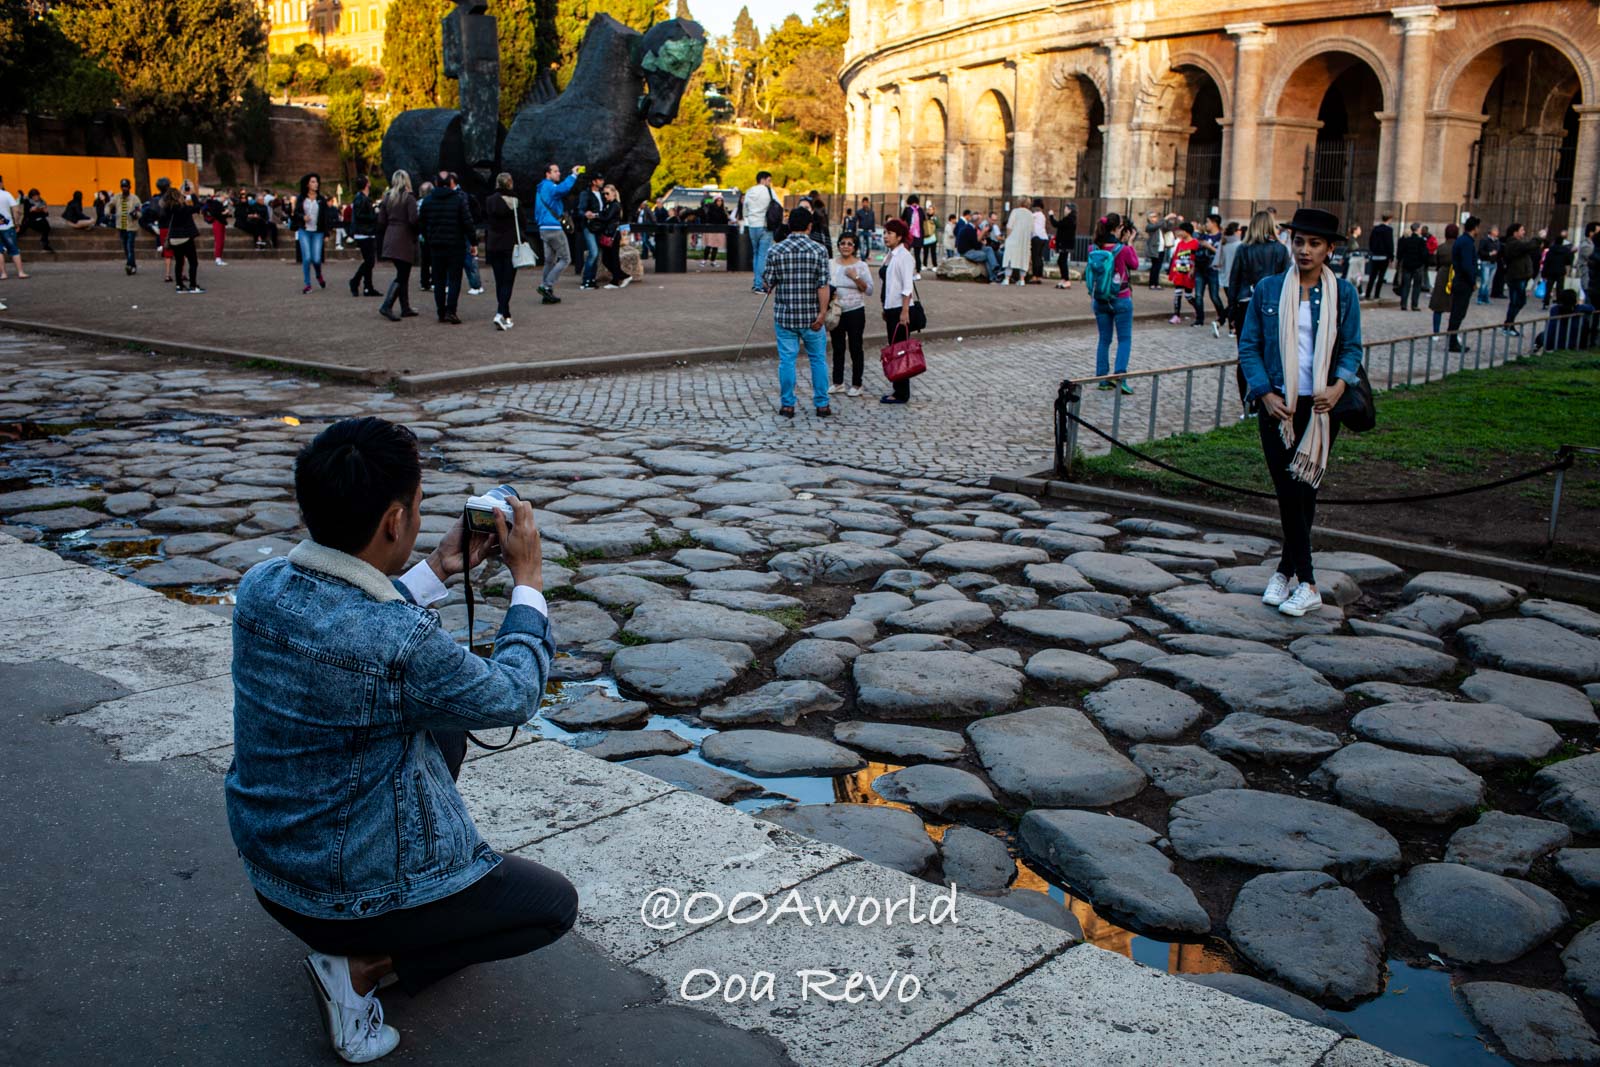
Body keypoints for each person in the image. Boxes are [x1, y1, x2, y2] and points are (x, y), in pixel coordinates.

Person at [227, 416, 573, 1066]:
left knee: (441, 718)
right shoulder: (399, 643)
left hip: (272, 869)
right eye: (415, 508)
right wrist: (528, 577)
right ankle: (360, 967)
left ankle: (378, 926)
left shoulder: (260, 587)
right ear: (393, 521)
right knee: (549, 906)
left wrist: (441, 565)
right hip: (340, 893)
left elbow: (351, 629)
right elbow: (512, 695)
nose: (418, 518)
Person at [1237, 206, 1364, 620]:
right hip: (1280, 406)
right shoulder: (1269, 289)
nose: (1304, 250)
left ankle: (1294, 576)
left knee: (1303, 493)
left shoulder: (1343, 294)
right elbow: (1248, 346)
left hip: (1322, 407)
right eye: (1298, 242)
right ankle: (1299, 578)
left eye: (1314, 243)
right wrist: (1263, 394)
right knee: (1288, 492)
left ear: (1329, 249)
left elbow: (1351, 348)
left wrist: (1339, 385)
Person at [761, 205, 832, 418]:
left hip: (785, 316)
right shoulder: (819, 250)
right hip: (812, 315)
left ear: (789, 225)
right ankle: (822, 404)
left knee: (787, 361)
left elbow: (767, 283)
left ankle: (788, 404)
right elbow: (823, 285)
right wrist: (822, 313)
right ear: (810, 226)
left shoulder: (775, 250)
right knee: (818, 359)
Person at [1087, 212, 1140, 393]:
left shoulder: (1093, 249)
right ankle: (1120, 377)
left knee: (1104, 339)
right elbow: (1134, 264)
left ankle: (1102, 378)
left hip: (1100, 298)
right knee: (1124, 339)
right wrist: (1129, 242)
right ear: (1117, 228)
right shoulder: (1122, 249)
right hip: (1121, 298)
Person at [418, 170, 472, 324]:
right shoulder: (458, 200)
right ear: (450, 183)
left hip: (436, 245)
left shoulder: (428, 201)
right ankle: (451, 310)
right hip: (455, 244)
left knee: (439, 279)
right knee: (454, 279)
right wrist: (472, 240)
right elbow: (467, 221)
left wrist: (428, 238)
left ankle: (441, 311)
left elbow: (421, 223)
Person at [827, 231, 873, 397]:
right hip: (836, 310)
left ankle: (857, 383)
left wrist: (856, 277)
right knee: (838, 347)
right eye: (842, 243)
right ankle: (838, 382)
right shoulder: (831, 263)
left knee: (855, 347)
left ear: (854, 247)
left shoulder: (861, 266)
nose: (845, 246)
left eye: (849, 244)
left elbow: (869, 290)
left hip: (855, 311)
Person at [880, 216, 920, 405]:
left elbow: (907, 286)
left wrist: (904, 310)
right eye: (885, 233)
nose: (886, 236)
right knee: (895, 349)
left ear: (900, 236)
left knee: (900, 351)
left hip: (900, 309)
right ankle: (898, 389)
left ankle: (901, 393)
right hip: (891, 308)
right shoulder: (892, 255)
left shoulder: (904, 257)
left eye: (889, 233)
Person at [377, 170, 420, 322]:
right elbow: (414, 219)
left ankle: (405, 307)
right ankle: (387, 305)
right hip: (404, 239)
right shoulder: (409, 198)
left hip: (390, 237)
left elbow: (381, 221)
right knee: (402, 275)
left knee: (403, 274)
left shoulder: (387, 198)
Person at [482, 172, 523, 330]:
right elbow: (522, 223)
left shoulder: (489, 201)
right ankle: (501, 313)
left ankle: (506, 313)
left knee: (499, 280)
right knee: (508, 281)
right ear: (510, 183)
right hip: (510, 244)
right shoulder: (515, 202)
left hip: (493, 244)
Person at [534, 162, 580, 304]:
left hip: (543, 228)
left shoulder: (540, 188)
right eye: (556, 171)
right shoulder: (550, 186)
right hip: (553, 228)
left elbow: (537, 210)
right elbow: (563, 189)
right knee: (566, 259)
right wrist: (574, 175)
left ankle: (547, 295)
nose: (559, 173)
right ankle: (546, 286)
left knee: (549, 260)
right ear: (548, 174)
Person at [293, 173, 332, 294]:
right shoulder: (301, 198)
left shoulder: (321, 200)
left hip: (317, 232)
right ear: (307, 184)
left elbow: (326, 218)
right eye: (313, 182)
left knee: (316, 259)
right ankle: (307, 284)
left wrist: (326, 234)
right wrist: (302, 217)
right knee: (307, 258)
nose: (316, 184)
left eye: (316, 182)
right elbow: (296, 213)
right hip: (304, 231)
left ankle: (319, 275)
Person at [163, 181, 204, 294]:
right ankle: (193, 285)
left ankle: (179, 285)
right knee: (193, 262)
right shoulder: (183, 208)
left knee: (179, 262)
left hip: (173, 238)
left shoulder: (168, 208)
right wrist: (193, 195)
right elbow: (197, 208)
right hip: (185, 237)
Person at [1446, 216, 1480, 352]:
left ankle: (1452, 339)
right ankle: (1452, 341)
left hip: (1461, 280)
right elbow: (1467, 265)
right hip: (1463, 282)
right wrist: (1473, 281)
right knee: (1458, 313)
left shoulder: (1463, 241)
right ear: (1475, 228)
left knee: (1458, 312)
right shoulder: (1466, 242)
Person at [1531, 285, 1596, 354]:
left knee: (1542, 335)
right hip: (1572, 343)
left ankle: (1535, 348)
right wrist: (1578, 306)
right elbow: (1591, 308)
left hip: (1552, 342)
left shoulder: (1555, 310)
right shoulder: (1578, 310)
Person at [1499, 223, 1537, 335]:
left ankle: (1509, 324)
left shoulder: (1517, 244)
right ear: (1515, 233)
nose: (1524, 232)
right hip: (1516, 277)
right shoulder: (1513, 244)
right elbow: (1529, 246)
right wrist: (1539, 237)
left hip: (1520, 276)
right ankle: (1508, 325)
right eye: (1522, 230)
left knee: (1518, 302)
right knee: (1516, 302)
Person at [743, 171, 778, 292]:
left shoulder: (749, 191)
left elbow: (745, 210)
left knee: (756, 254)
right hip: (765, 225)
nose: (770, 183)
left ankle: (756, 282)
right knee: (763, 255)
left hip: (753, 225)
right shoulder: (769, 191)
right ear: (763, 180)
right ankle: (760, 284)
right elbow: (777, 205)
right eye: (769, 180)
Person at [347, 175, 380, 297]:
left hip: (366, 232)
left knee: (369, 261)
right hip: (364, 233)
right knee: (369, 261)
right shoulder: (361, 199)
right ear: (366, 184)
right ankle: (356, 282)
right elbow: (360, 216)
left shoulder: (361, 198)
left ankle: (367, 286)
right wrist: (374, 216)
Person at [596, 183, 630, 290]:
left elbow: (607, 218)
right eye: (604, 194)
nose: (605, 196)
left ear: (614, 193)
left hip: (613, 235)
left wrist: (596, 215)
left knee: (612, 258)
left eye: (607, 193)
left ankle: (616, 280)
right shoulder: (610, 204)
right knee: (607, 259)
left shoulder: (615, 205)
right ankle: (623, 276)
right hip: (610, 234)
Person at [1195, 214, 1225, 334]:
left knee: (1214, 295)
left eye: (1207, 222)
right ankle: (1199, 319)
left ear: (1214, 223)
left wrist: (1209, 246)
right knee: (1198, 295)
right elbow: (1197, 250)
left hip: (1213, 269)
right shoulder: (1203, 236)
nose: (1206, 224)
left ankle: (1222, 317)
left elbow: (1221, 253)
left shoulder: (1221, 237)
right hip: (1200, 268)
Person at [1427, 223, 1459, 334]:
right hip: (1454, 274)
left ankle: (1436, 332)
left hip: (1442, 275)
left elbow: (1438, 262)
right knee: (1455, 307)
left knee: (1438, 306)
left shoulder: (1441, 247)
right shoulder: (1458, 247)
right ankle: (1453, 331)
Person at [1167, 221, 1200, 325]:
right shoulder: (1180, 243)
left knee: (1188, 295)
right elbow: (1176, 257)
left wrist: (1193, 269)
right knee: (1177, 293)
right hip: (1179, 272)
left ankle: (1199, 311)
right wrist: (1172, 272)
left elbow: (1196, 258)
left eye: (1181, 231)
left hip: (1189, 273)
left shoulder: (1195, 243)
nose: (1179, 233)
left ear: (1186, 232)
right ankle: (1176, 315)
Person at [953, 210, 1000, 282]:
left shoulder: (971, 228)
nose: (981, 222)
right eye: (980, 220)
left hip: (971, 249)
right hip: (967, 252)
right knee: (986, 255)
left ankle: (994, 267)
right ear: (976, 221)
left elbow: (976, 244)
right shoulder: (970, 229)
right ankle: (993, 277)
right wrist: (983, 233)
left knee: (988, 249)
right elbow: (976, 246)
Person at [1395, 223, 1429, 312]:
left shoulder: (1407, 240)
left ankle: (1403, 304)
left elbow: (1401, 253)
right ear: (1417, 229)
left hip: (1407, 265)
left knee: (1406, 285)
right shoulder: (1421, 241)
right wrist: (1422, 262)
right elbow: (1424, 254)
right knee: (1416, 286)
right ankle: (1414, 305)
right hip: (1417, 266)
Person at [109, 178, 138, 276]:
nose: (124, 188)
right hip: (121, 225)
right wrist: (107, 212)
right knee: (126, 246)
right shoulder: (117, 197)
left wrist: (136, 214)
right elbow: (109, 205)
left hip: (131, 226)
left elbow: (140, 210)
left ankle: (129, 265)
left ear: (129, 187)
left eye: (126, 186)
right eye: (123, 186)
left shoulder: (134, 198)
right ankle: (132, 265)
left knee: (130, 245)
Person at [0, 174, 26, 280]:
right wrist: (17, 223)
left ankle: (3, 274)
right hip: (8, 227)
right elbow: (16, 210)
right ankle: (20, 272)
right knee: (14, 249)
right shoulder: (6, 194)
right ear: (1, 183)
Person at [1002, 197, 1033, 285]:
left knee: (1009, 258)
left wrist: (1007, 238)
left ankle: (1006, 278)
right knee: (1023, 258)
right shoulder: (1030, 214)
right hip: (1025, 240)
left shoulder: (1015, 211)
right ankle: (1022, 279)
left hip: (1013, 238)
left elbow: (1009, 226)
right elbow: (1031, 229)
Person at [1540, 232, 1573, 311]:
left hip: (1550, 271)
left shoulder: (1550, 250)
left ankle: (1546, 302)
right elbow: (1568, 261)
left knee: (1549, 288)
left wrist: (1543, 273)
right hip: (1560, 271)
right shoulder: (1565, 250)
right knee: (1560, 288)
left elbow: (1546, 262)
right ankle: (1559, 302)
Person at [1364, 214, 1393, 301]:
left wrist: (1372, 251)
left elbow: (1371, 241)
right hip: (1384, 256)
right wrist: (1391, 256)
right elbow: (1389, 243)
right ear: (1389, 219)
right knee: (1381, 277)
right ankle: (1376, 294)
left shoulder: (1375, 229)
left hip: (1375, 255)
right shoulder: (1389, 230)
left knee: (1372, 276)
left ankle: (1368, 293)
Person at [1051, 203, 1077, 289]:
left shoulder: (1069, 219)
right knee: (1061, 261)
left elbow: (1056, 224)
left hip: (1065, 244)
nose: (1064, 210)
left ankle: (1066, 280)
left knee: (1062, 261)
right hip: (1066, 243)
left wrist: (1051, 216)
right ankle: (1064, 279)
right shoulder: (1070, 219)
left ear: (1070, 210)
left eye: (1066, 208)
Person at [900, 194, 928, 274]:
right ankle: (918, 272)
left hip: (909, 235)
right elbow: (924, 220)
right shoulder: (921, 210)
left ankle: (906, 270)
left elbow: (902, 220)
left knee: (906, 253)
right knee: (917, 255)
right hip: (919, 235)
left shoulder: (907, 210)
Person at [202, 190, 229, 266]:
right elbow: (216, 214)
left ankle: (218, 257)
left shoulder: (217, 203)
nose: (225, 199)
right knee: (219, 240)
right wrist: (224, 213)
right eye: (224, 197)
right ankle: (218, 258)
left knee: (220, 240)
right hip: (218, 222)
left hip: (220, 222)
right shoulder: (216, 203)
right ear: (221, 196)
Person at [1144, 211, 1170, 288]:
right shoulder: (1149, 226)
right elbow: (1156, 226)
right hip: (1155, 249)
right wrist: (1165, 218)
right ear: (1149, 218)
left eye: (1156, 216)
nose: (1155, 218)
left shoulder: (1159, 226)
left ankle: (1156, 283)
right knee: (1154, 267)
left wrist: (1168, 221)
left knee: (1158, 267)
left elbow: (1167, 227)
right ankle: (1152, 283)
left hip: (1161, 249)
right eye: (1153, 217)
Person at [1476, 225, 1500, 306]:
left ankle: (1485, 298)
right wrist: (1489, 253)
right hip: (1486, 262)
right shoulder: (1485, 240)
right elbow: (1480, 251)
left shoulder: (1497, 241)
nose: (1497, 233)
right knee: (1484, 281)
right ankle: (1480, 297)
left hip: (1494, 263)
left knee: (1489, 282)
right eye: (1496, 231)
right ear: (1492, 232)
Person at [701, 194, 728, 263]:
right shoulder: (711, 209)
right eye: (718, 201)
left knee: (716, 246)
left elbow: (725, 220)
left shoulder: (723, 210)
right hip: (711, 229)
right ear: (715, 201)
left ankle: (713, 260)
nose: (719, 202)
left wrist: (726, 216)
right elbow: (710, 218)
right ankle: (704, 259)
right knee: (709, 245)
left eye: (721, 201)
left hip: (719, 230)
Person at [1029, 200, 1049, 283]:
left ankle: (1035, 276)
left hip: (1036, 237)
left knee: (1035, 257)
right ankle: (1039, 276)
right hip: (1043, 237)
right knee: (1040, 257)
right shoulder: (1042, 216)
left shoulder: (1034, 215)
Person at [807, 190, 832, 257]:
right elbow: (826, 223)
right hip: (823, 235)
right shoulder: (822, 207)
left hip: (811, 236)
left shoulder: (809, 208)